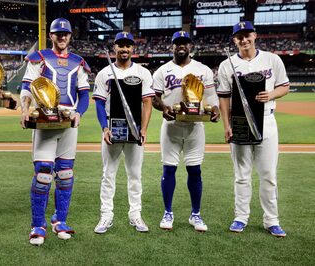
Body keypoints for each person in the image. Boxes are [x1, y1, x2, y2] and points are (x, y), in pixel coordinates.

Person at [20, 18, 90, 245]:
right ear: (51, 35)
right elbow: (26, 87)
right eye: (58, 34)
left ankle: (60, 220)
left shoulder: (78, 62)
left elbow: (84, 94)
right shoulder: (39, 58)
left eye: (66, 34)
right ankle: (37, 225)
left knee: (66, 174)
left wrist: (79, 112)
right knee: (43, 173)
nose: (62, 37)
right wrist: (24, 109)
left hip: (68, 121)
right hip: (44, 119)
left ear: (70, 36)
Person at [217, 21, 289, 237]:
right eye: (239, 36)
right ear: (234, 40)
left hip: (266, 120)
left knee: (268, 174)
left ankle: (271, 220)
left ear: (255, 35)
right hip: (239, 123)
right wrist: (227, 125)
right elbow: (223, 98)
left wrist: (271, 94)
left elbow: (284, 86)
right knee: (241, 175)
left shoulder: (272, 59)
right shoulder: (226, 65)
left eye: (247, 35)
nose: (244, 39)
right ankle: (241, 217)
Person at [152, 30, 220, 232]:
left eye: (185, 43)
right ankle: (168, 212)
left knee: (195, 170)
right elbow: (154, 97)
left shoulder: (203, 69)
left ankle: (195, 214)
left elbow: (211, 96)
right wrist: (163, 107)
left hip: (195, 126)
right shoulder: (162, 71)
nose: (181, 46)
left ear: (190, 45)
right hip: (171, 127)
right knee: (169, 169)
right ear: (172, 46)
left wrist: (215, 110)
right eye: (177, 43)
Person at [92, 32, 154, 234]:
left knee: (135, 175)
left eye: (128, 46)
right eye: (121, 46)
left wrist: (143, 129)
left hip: (134, 129)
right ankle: (106, 216)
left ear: (133, 49)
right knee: (108, 175)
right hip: (113, 129)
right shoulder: (104, 74)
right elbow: (100, 104)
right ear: (115, 48)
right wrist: (105, 128)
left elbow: (147, 103)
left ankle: (135, 215)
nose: (124, 49)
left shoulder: (143, 73)